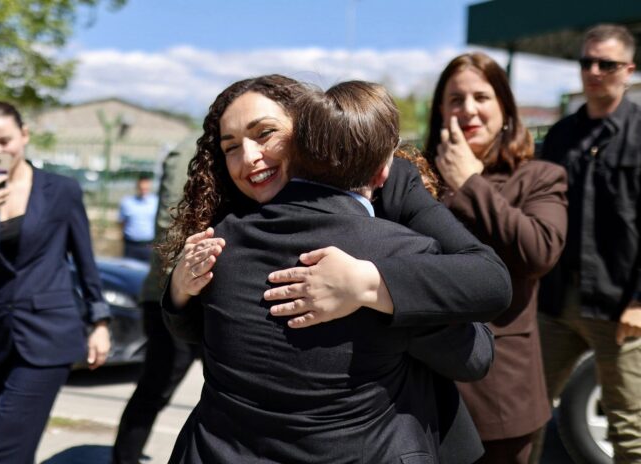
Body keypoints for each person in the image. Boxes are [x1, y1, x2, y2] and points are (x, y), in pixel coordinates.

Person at [161, 74, 511, 464]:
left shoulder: (391, 184)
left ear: (310, 130)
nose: (249, 157)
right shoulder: (226, 231)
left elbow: (487, 278)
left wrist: (370, 284)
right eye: (230, 147)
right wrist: (179, 289)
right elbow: (204, 328)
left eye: (265, 134)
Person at [422, 52, 568, 463]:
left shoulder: (538, 177)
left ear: (504, 108)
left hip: (498, 394)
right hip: (421, 388)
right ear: (440, 111)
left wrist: (470, 183)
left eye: (481, 97)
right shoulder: (419, 177)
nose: (468, 109)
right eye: (455, 99)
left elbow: (539, 252)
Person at [0, 101, 111, 464]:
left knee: (0, 454)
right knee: (8, 446)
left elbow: (85, 260)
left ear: (24, 135)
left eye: (4, 141)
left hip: (47, 336)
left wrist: (99, 322)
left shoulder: (61, 191)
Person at [535, 24, 641, 463]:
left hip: (621, 307)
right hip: (556, 301)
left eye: (606, 64)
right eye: (587, 62)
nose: (594, 71)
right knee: (524, 414)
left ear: (629, 70)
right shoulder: (560, 135)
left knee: (629, 432)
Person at [112, 151, 200, 464]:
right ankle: (124, 458)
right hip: (175, 294)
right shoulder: (190, 149)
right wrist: (181, 285)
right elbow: (171, 222)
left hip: (206, 294)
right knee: (155, 388)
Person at [119, 173, 158, 262]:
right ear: (137, 187)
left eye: (145, 189)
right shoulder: (127, 202)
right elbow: (122, 222)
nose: (143, 191)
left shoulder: (155, 202)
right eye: (141, 188)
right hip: (131, 245)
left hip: (149, 245)